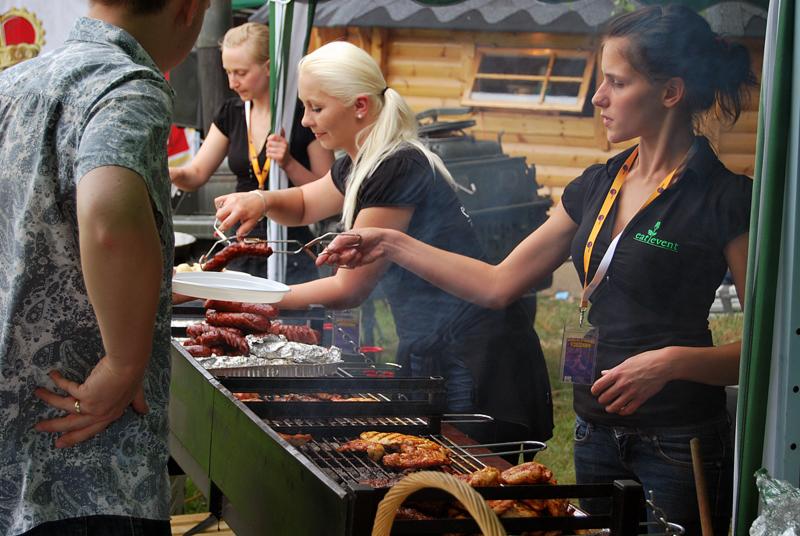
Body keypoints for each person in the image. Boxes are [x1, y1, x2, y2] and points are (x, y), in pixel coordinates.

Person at [317, 6, 755, 534]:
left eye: (617, 82)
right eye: (600, 82)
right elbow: (497, 283)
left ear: (670, 92)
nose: (598, 98)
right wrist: (390, 242)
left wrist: (669, 363)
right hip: (593, 433)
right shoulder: (596, 184)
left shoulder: (725, 198)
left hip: (676, 441)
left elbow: (763, 355)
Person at [214, 41, 554, 444]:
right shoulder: (360, 161)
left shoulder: (396, 166)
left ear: (360, 106)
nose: (305, 121)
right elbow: (305, 202)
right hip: (436, 344)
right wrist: (261, 199)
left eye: (316, 108)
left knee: (467, 482)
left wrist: (254, 297)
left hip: (474, 356)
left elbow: (348, 288)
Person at [0, 1, 209, 535]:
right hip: (90, 468)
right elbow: (108, 219)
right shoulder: (126, 86)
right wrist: (122, 362)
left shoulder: (17, 81)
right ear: (187, 9)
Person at [170, 22, 333, 283]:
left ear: (268, 67)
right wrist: (170, 172)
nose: (232, 82)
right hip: (239, 244)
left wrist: (289, 163)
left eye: (241, 73)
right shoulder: (231, 112)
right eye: (228, 72)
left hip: (287, 247)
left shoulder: (301, 116)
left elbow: (329, 189)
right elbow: (196, 174)